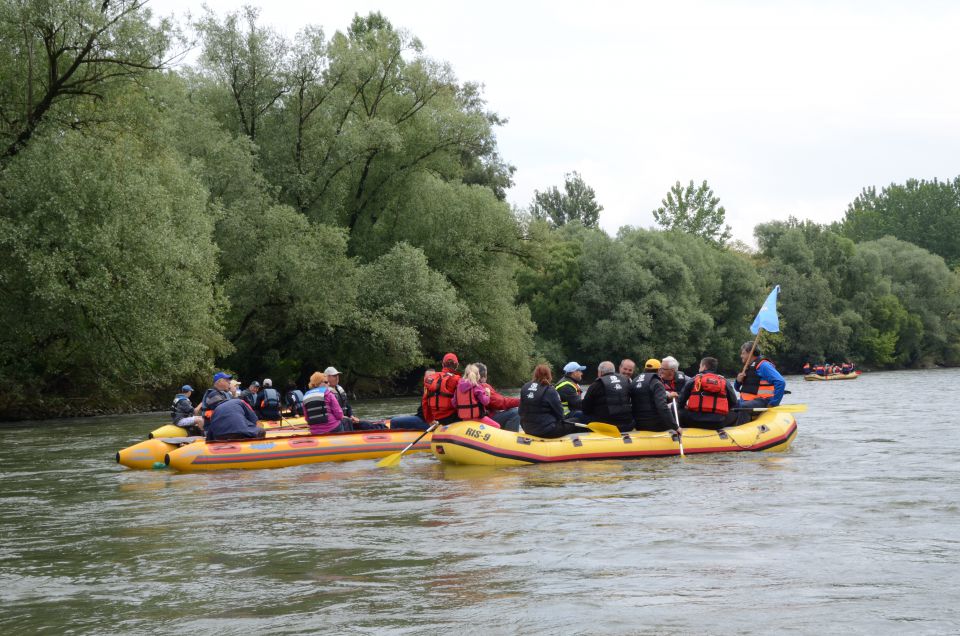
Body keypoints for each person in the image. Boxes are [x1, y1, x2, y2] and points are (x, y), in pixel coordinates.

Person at [519, 364, 582, 438]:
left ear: (535, 375)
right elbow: (560, 413)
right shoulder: (549, 390)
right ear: (549, 375)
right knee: (577, 421)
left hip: (527, 428)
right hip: (546, 431)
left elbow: (520, 411)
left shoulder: (525, 387)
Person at [678, 357, 739, 430]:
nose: (699, 368)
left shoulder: (693, 380)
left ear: (704, 367)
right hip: (718, 422)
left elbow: (680, 401)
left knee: (678, 411)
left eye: (700, 366)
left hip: (693, 421)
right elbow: (733, 402)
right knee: (735, 413)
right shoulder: (724, 381)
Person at [735, 341, 787, 425]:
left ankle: (739, 432)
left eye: (743, 353)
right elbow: (737, 389)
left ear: (750, 353)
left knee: (744, 407)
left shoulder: (763, 365)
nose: (741, 356)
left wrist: (773, 403)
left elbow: (780, 382)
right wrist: (738, 381)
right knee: (728, 403)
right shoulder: (747, 367)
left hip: (763, 400)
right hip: (748, 400)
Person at [581, 361, 634, 433]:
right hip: (628, 424)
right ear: (614, 370)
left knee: (578, 415)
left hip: (608, 426)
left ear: (600, 372)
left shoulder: (596, 384)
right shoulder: (627, 381)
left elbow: (585, 409)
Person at [451, 364, 501, 428]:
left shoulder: (458, 387)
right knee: (497, 426)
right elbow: (485, 402)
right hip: (477, 419)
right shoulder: (477, 387)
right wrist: (488, 394)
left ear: (465, 375)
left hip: (464, 419)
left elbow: (454, 403)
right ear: (478, 375)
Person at [476, 362, 521, 431]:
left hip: (473, 419)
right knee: (515, 412)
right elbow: (501, 402)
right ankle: (510, 438)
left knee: (510, 410)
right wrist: (521, 401)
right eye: (486, 375)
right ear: (483, 377)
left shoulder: (465, 385)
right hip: (485, 419)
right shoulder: (484, 387)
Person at [631, 359, 674, 432]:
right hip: (655, 425)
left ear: (645, 369)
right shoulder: (656, 382)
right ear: (659, 370)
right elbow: (662, 407)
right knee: (674, 408)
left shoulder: (634, 381)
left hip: (638, 424)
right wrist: (675, 426)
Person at [422, 353, 462, 425]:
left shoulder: (430, 379)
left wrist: (430, 420)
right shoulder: (457, 379)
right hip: (452, 417)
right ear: (456, 365)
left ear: (443, 364)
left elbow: (424, 401)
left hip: (436, 418)